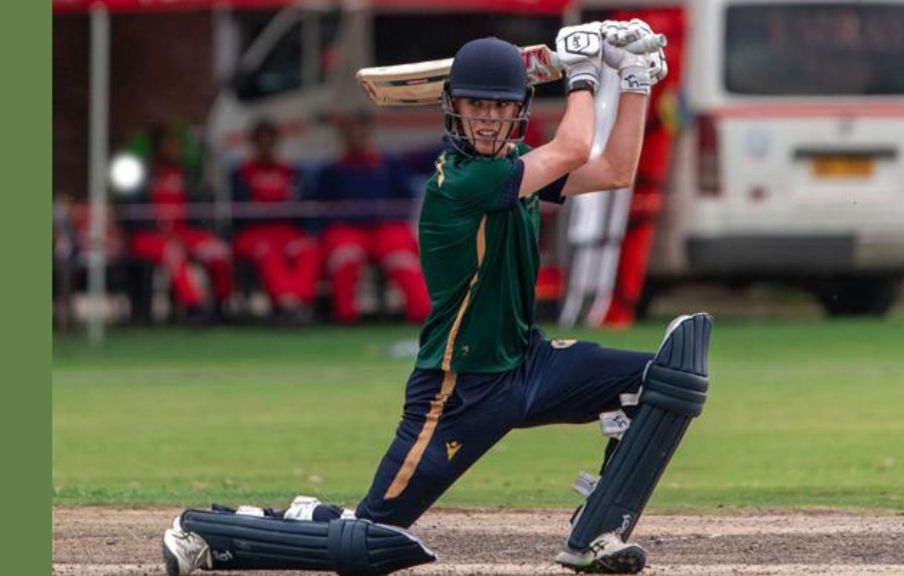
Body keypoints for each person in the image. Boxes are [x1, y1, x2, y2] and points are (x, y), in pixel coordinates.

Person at [161, 22, 711, 576]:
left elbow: (615, 171)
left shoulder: (517, 167)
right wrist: (586, 71)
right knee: (371, 535)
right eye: (477, 106)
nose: (489, 118)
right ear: (454, 109)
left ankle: (595, 536)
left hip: (529, 365)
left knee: (665, 382)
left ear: (518, 109)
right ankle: (209, 533)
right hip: (457, 390)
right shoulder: (463, 182)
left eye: (501, 106)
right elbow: (572, 146)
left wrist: (635, 78)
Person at [310, 110, 431, 324]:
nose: (355, 136)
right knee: (345, 258)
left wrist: (386, 215)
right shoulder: (331, 171)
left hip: (386, 227)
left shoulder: (389, 165)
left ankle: (424, 314)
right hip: (347, 229)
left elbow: (406, 201)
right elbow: (322, 208)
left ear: (368, 131)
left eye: (360, 130)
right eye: (349, 131)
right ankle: (346, 317)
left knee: (402, 259)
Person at [124, 124, 233, 322]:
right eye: (170, 143)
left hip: (183, 232)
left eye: (176, 144)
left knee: (219, 250)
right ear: (158, 147)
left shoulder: (185, 174)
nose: (175, 148)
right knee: (173, 251)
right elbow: (131, 214)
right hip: (148, 236)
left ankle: (220, 305)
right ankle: (194, 307)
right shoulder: (140, 175)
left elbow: (200, 208)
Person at [231, 119, 319, 325]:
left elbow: (300, 208)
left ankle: (301, 300)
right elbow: (240, 212)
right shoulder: (241, 173)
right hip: (253, 234)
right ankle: (287, 303)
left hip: (286, 232)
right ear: (254, 144)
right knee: (267, 252)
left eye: (270, 141)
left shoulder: (290, 172)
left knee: (308, 249)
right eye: (261, 142)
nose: (266, 147)